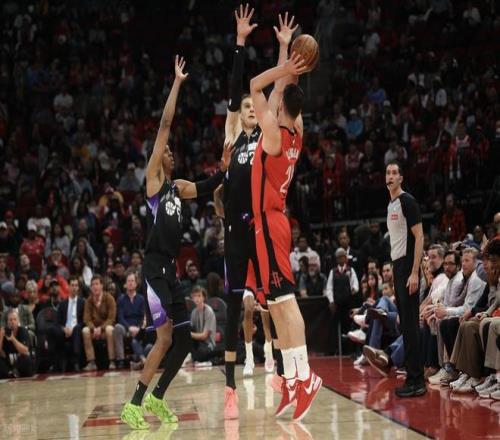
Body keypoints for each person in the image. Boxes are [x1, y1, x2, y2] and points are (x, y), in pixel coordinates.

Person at [121, 56, 231, 430]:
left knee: (183, 342)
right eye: (165, 151)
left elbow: (209, 185)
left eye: (170, 152)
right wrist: (177, 83)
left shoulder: (180, 188)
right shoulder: (155, 181)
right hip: (154, 267)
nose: (169, 152)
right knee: (165, 338)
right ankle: (134, 403)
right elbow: (165, 125)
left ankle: (156, 398)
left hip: (172, 270)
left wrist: (225, 168)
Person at [214, 6, 284, 420]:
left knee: (273, 298)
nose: (250, 111)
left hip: (260, 227)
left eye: (252, 108)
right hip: (234, 233)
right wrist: (240, 42)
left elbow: (273, 95)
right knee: (232, 305)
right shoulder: (233, 137)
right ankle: (229, 385)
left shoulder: (263, 138)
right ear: (238, 115)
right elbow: (233, 89)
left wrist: (283, 50)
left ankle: (280, 369)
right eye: (244, 108)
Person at [250, 49, 322, 421]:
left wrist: (284, 67)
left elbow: (255, 86)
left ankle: (307, 376)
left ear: (280, 110)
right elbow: (284, 91)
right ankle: (292, 378)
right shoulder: (297, 131)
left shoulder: (274, 136)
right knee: (275, 305)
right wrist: (287, 56)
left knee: (287, 302)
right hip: (270, 221)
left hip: (270, 221)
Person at [385, 160, 425, 397]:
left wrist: (414, 272)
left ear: (401, 178)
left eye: (394, 173)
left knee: (411, 326)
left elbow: (419, 237)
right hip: (398, 267)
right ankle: (412, 377)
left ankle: (417, 381)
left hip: (409, 267)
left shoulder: (407, 201)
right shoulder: (391, 204)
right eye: (387, 173)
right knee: (405, 326)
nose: (390, 176)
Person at [82, 275, 117, 371]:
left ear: (101, 286)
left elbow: (111, 318)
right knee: (85, 331)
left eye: (97, 284)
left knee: (110, 330)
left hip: (105, 329)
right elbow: (86, 319)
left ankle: (112, 361)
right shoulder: (89, 300)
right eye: (93, 284)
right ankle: (91, 362)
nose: (95, 286)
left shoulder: (109, 298)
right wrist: (93, 328)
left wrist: (101, 328)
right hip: (93, 330)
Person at [114, 272, 146, 369]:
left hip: (138, 328)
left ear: (136, 284)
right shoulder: (121, 299)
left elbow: (143, 317)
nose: (130, 283)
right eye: (128, 281)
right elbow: (120, 317)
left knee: (146, 327)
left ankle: (140, 359)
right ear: (125, 284)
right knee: (117, 327)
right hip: (126, 327)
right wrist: (129, 328)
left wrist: (138, 328)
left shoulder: (141, 299)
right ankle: (120, 360)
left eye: (132, 281)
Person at [54, 276, 85, 372]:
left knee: (77, 329)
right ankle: (59, 362)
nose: (74, 288)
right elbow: (57, 322)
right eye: (72, 285)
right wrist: (64, 329)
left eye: (76, 285)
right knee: (54, 330)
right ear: (68, 287)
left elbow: (84, 321)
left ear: (78, 288)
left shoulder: (83, 303)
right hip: (65, 330)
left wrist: (73, 329)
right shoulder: (62, 304)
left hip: (77, 329)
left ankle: (76, 362)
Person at [0, 309, 34, 378]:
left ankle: (14, 373)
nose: (12, 322)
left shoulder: (23, 331)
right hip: (9, 363)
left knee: (25, 358)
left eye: (15, 319)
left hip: (21, 363)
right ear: (7, 322)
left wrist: (13, 339)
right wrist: (1, 336)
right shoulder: (3, 333)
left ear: (18, 321)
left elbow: (25, 351)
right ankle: (10, 373)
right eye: (10, 320)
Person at [190, 286, 217, 363]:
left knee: (200, 354)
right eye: (195, 296)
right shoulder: (193, 312)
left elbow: (204, 336)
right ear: (192, 298)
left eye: (199, 296)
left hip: (208, 344)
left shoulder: (209, 311)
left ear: (204, 297)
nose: (197, 298)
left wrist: (189, 334)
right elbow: (191, 329)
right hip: (198, 343)